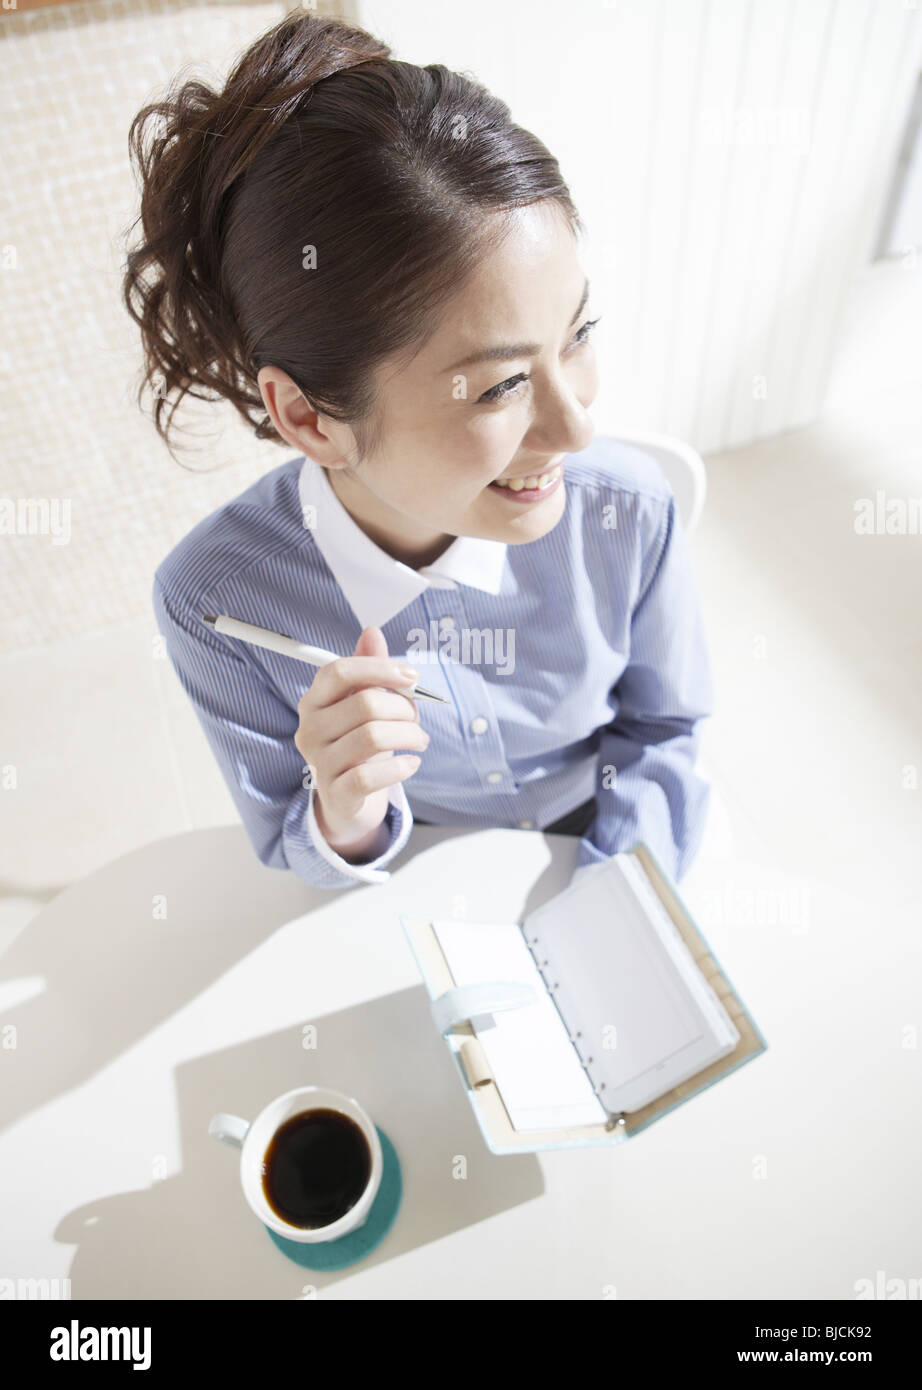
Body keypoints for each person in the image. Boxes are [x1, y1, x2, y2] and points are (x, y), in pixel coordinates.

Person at [124, 9, 713, 892]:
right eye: (501, 386)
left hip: (612, 850)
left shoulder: (630, 510)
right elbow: (289, 838)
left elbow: (665, 733)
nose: (578, 429)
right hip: (407, 882)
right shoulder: (215, 602)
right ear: (312, 419)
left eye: (579, 331)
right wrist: (346, 813)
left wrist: (614, 899)